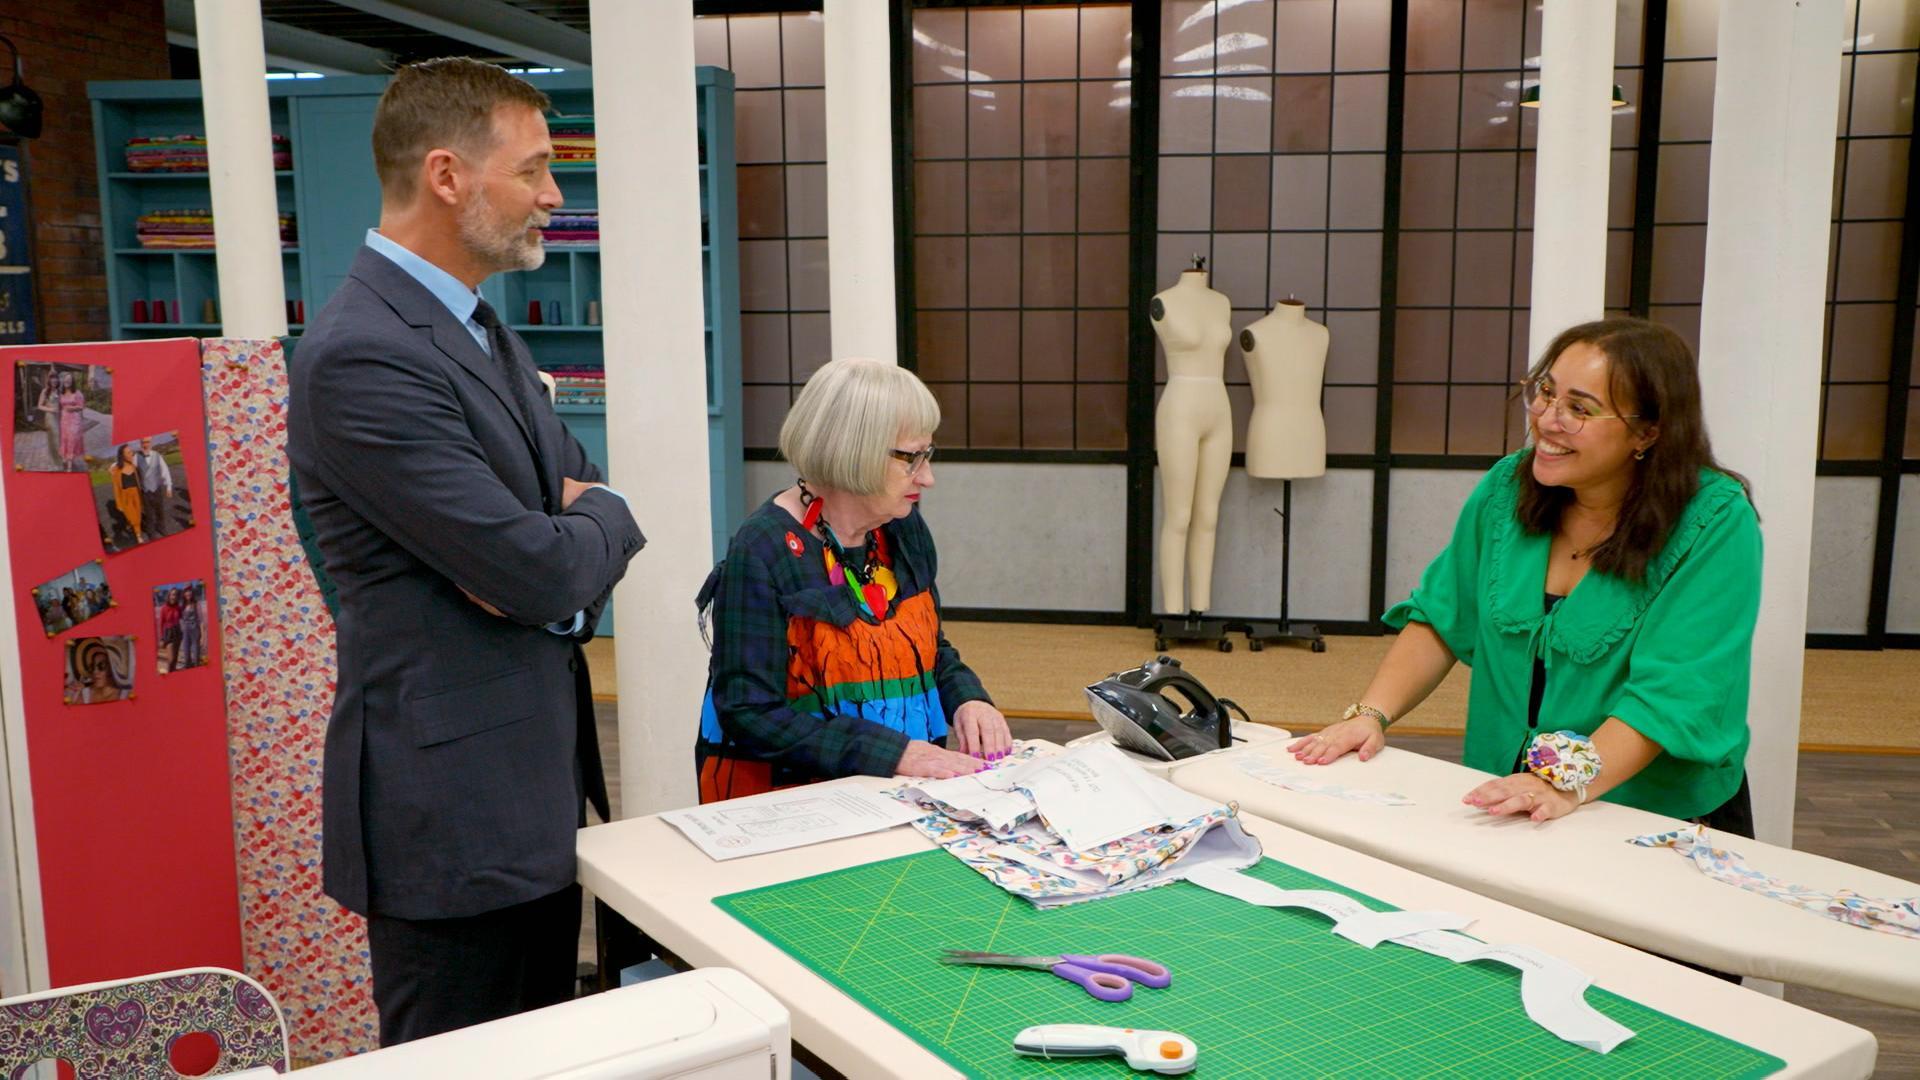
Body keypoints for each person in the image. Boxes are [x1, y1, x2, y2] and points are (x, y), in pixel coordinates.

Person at [285, 57, 645, 1045]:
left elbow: (568, 520)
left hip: (528, 796)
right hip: (450, 824)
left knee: (545, 1049)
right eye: (532, 170)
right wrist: (575, 539)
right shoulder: (362, 354)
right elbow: (543, 562)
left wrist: (573, 534)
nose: (553, 195)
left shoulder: (482, 326)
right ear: (448, 175)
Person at [1291, 318, 1760, 834]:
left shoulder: (1713, 522)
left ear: (1647, 432)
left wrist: (1564, 782)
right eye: (1545, 393)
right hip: (1514, 794)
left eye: (1579, 409)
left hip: (1649, 812)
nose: (1547, 420)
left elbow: (1673, 695)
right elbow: (1443, 616)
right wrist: (1369, 714)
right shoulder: (1507, 488)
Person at [696, 357, 1011, 802]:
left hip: (901, 790)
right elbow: (749, 713)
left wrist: (968, 698)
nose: (928, 477)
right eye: (911, 458)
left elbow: (928, 647)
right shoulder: (764, 547)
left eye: (928, 454)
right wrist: (890, 753)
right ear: (853, 449)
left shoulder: (901, 527)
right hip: (798, 804)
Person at [135, 437, 174, 538]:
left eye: (147, 442)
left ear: (151, 443)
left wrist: (168, 486)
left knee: (160, 510)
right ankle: (151, 531)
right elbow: (127, 465)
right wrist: (114, 467)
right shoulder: (136, 457)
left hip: (156, 488)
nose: (145, 444)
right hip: (145, 490)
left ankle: (161, 527)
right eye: (143, 442)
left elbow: (165, 470)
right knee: (148, 513)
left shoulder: (157, 455)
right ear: (140, 444)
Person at [109, 444, 144, 545]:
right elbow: (116, 488)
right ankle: (138, 534)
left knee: (138, 515)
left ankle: (136, 531)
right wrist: (118, 503)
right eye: (128, 452)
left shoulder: (134, 465)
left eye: (131, 451)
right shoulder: (116, 470)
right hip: (125, 496)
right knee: (131, 517)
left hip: (137, 494)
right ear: (123, 455)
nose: (131, 454)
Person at [58, 372, 87, 471]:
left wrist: (72, 408)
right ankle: (65, 458)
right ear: (63, 381)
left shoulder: (77, 393)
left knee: (72, 440)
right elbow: (60, 405)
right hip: (64, 420)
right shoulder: (61, 393)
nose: (67, 381)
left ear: (72, 381)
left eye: (69, 379)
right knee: (65, 439)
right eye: (66, 379)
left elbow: (81, 406)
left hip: (75, 420)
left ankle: (69, 465)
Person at [158, 588, 183, 672]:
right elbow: (161, 624)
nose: (174, 596)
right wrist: (161, 638)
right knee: (171, 659)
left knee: (175, 658)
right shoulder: (164, 608)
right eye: (172, 594)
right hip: (168, 633)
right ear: (169, 596)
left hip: (177, 632)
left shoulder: (178, 607)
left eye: (175, 594)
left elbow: (182, 618)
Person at [179, 584, 203, 669]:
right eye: (186, 591)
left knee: (196, 651)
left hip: (195, 629)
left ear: (192, 593)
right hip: (185, 630)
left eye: (189, 591)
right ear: (184, 594)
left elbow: (201, 620)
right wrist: (182, 629)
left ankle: (197, 666)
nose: (188, 593)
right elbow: (180, 619)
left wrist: (202, 635)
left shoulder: (196, 604)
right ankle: (188, 666)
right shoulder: (182, 605)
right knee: (186, 650)